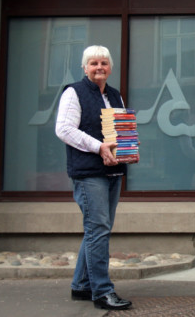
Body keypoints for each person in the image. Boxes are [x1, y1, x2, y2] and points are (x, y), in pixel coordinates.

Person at [55, 45, 132, 310]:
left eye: (104, 63)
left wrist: (130, 148)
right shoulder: (73, 92)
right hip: (89, 172)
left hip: (113, 170)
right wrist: (98, 146)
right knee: (98, 229)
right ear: (84, 67)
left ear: (110, 67)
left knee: (97, 229)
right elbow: (64, 129)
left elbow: (120, 130)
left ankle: (81, 286)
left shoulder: (114, 94)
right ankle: (102, 292)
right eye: (93, 63)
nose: (99, 67)